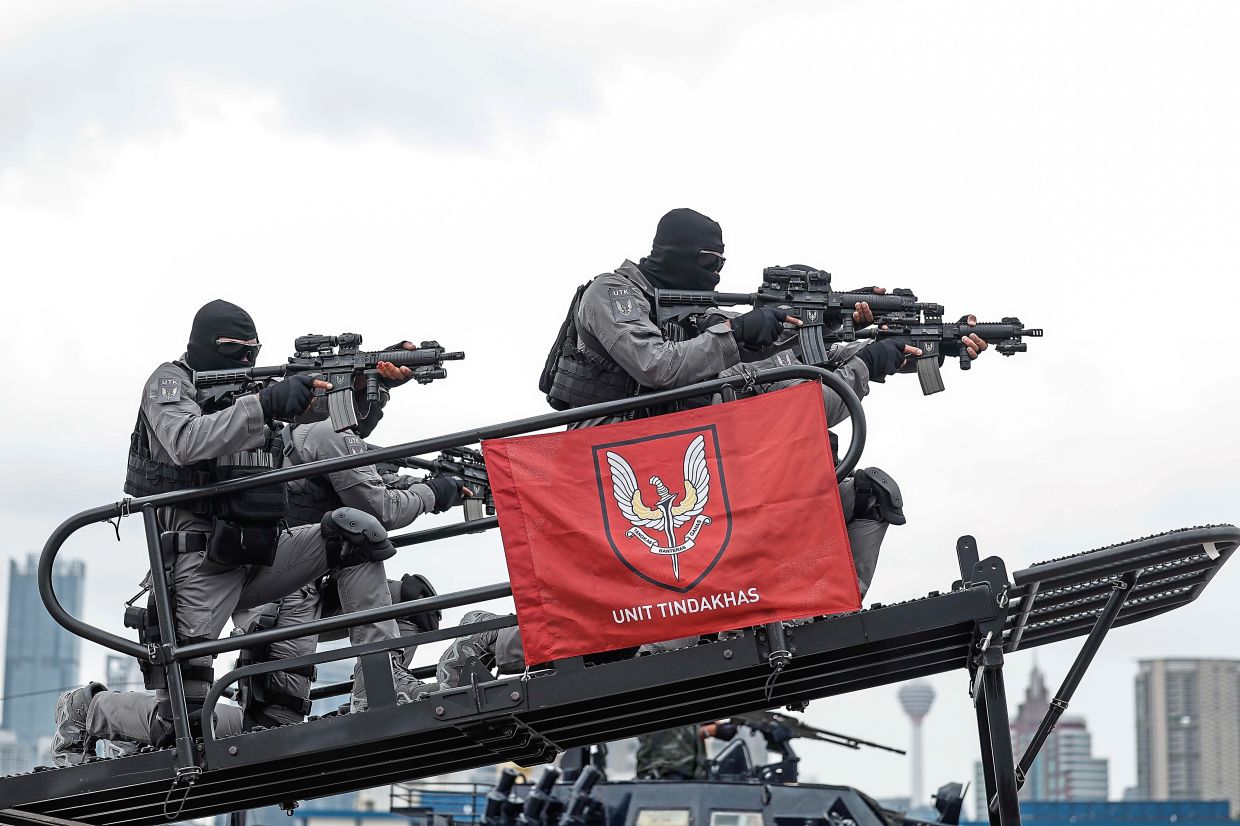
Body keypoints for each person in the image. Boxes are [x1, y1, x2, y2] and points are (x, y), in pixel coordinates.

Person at [439, 208, 984, 688]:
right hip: (607, 456)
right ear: (675, 256)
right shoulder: (612, 294)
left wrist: (854, 338)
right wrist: (746, 331)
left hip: (677, 446)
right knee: (607, 614)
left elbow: (760, 375)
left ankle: (803, 615)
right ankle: (484, 643)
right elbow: (660, 368)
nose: (717, 277)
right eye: (710, 265)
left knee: (859, 495)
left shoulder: (697, 315)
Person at [50, 300, 437, 766]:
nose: (245, 360)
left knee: (355, 536)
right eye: (235, 350)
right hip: (200, 563)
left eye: (253, 351)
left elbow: (323, 427)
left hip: (262, 550)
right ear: (205, 346)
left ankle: (380, 686)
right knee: (188, 728)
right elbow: (185, 440)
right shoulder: (171, 382)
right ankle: (90, 710)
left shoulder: (254, 388)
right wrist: (267, 402)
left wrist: (364, 382)